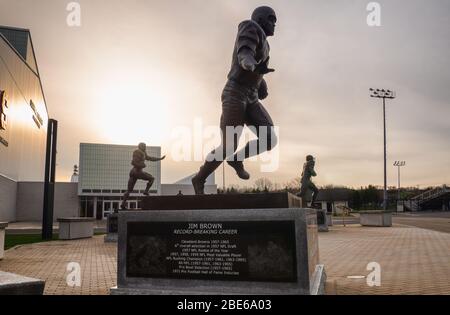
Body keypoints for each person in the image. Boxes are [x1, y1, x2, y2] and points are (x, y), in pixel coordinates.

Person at [192, 6, 279, 195]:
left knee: (270, 138)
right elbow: (244, 53)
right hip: (235, 93)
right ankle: (199, 178)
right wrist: (251, 65)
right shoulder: (250, 27)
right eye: (271, 19)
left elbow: (257, 67)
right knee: (228, 144)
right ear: (261, 19)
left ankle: (236, 159)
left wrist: (261, 83)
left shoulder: (267, 44)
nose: (274, 24)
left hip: (251, 96)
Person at [121, 143, 165, 209]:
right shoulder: (137, 151)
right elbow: (133, 162)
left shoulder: (143, 152)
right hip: (137, 171)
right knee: (152, 178)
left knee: (129, 190)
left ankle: (123, 204)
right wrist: (142, 165)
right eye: (144, 146)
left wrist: (160, 159)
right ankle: (146, 191)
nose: (145, 147)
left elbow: (150, 158)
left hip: (133, 172)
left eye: (145, 146)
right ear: (140, 147)